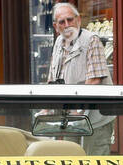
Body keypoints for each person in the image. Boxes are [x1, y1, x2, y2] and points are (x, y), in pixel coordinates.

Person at [45, 2, 114, 155]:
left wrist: (77, 111)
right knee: (71, 164)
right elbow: (53, 77)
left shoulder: (91, 40)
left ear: (78, 20)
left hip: (95, 118)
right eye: (62, 22)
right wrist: (47, 108)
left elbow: (94, 80)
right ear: (56, 27)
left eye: (70, 20)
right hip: (71, 117)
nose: (67, 25)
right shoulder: (58, 42)